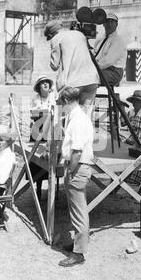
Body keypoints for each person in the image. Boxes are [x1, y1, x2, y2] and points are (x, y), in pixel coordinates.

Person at [58, 87, 94, 267]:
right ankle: (77, 245)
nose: (60, 108)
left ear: (66, 101)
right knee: (76, 210)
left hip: (78, 167)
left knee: (79, 213)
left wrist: (71, 171)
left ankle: (78, 254)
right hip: (77, 167)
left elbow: (77, 151)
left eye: (61, 104)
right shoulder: (78, 117)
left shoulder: (78, 120)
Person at [44, 20, 100, 115]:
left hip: (73, 82)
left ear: (51, 34)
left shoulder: (56, 39)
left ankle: (62, 129)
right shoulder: (80, 34)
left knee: (62, 115)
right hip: (92, 79)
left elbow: (54, 66)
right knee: (86, 116)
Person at [93, 12, 126, 87]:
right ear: (103, 24)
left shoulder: (118, 40)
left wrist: (93, 68)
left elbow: (108, 61)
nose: (110, 24)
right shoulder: (101, 39)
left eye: (112, 22)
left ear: (116, 24)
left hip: (113, 72)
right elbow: (95, 54)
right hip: (102, 69)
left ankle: (88, 96)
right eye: (107, 21)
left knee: (90, 77)